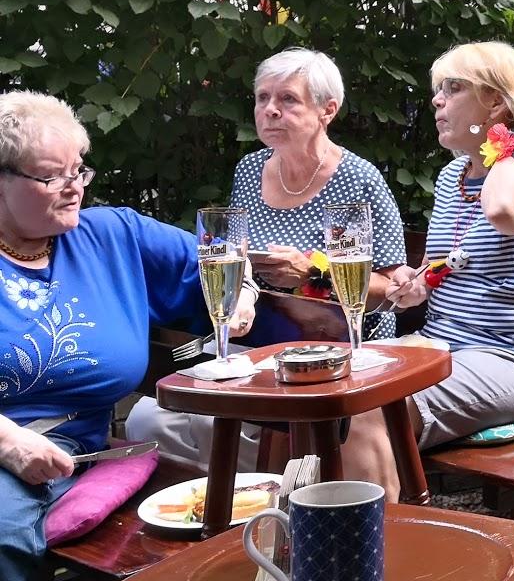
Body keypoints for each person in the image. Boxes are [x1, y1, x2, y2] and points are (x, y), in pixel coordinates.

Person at [0, 92, 256, 581]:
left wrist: (234, 298)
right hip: (7, 449)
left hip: (94, 452)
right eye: (51, 177)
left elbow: (218, 255)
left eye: (79, 168)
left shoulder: (110, 235)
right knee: (3, 544)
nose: (74, 186)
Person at [126, 49, 408, 493]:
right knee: (151, 413)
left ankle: (280, 512)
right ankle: (236, 514)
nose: (270, 110)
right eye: (262, 98)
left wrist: (310, 273)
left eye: (288, 100)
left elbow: (390, 290)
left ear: (327, 110)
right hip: (262, 342)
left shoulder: (358, 179)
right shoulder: (251, 168)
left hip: (344, 347)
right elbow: (233, 254)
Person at [381, 42, 514, 450]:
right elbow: (440, 266)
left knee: (375, 406)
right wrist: (416, 283)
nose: (436, 100)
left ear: (496, 101)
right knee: (329, 386)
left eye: (453, 88)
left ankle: (387, 514)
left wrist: (512, 144)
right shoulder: (452, 176)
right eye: (438, 89)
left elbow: (506, 211)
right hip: (440, 343)